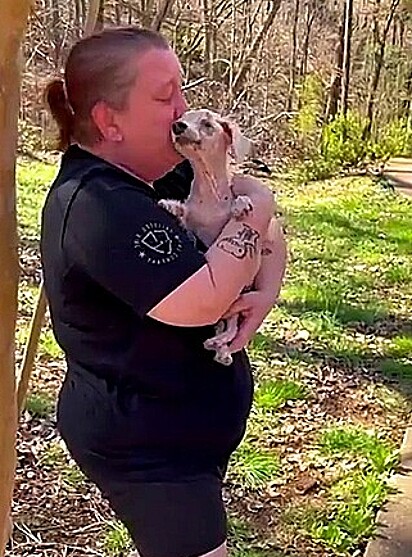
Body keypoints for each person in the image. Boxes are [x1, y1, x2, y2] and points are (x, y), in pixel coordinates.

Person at [40, 26, 287, 557]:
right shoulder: (96, 206)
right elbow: (204, 297)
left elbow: (268, 237)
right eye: (164, 96)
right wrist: (259, 204)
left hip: (186, 435)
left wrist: (264, 293)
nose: (182, 107)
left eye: (181, 88)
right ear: (109, 121)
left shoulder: (162, 175)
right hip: (145, 450)